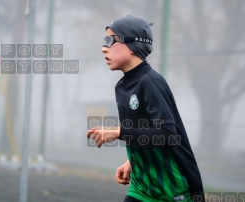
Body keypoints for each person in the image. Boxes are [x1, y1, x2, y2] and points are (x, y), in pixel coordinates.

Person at [86, 15, 204, 202]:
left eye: (110, 41)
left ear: (133, 45)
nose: (103, 48)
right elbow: (144, 131)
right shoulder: (122, 87)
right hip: (142, 187)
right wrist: (133, 162)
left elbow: (166, 134)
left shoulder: (151, 83)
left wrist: (118, 132)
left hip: (173, 190)